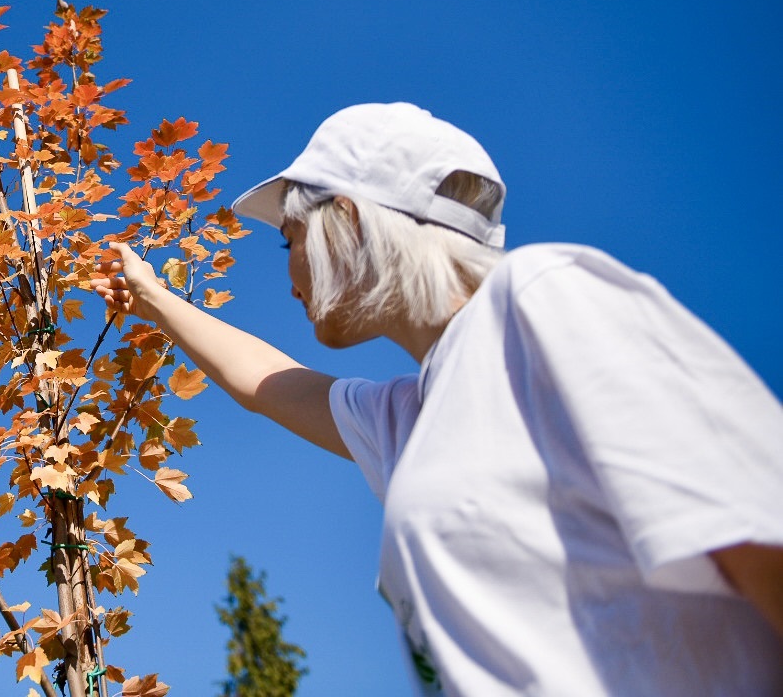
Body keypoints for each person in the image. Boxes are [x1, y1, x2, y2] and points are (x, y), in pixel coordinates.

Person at [93, 102, 783, 695]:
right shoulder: (420, 417)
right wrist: (153, 300)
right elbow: (265, 384)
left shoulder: (541, 300)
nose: (291, 272)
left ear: (351, 222)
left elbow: (761, 542)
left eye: (291, 240)